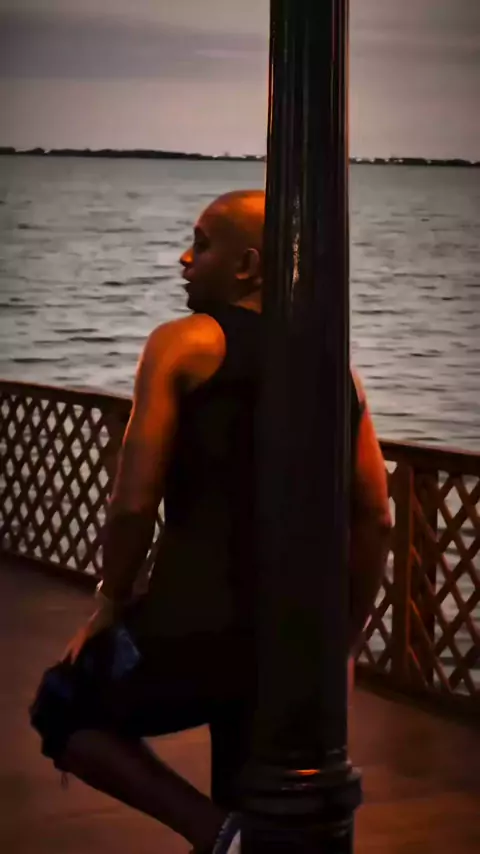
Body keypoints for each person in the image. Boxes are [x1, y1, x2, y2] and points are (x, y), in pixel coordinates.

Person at [30, 190, 391, 854]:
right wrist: (342, 639)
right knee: (245, 774)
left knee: (64, 704)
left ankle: (217, 833)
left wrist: (110, 600)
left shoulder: (182, 343)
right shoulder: (336, 371)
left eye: (200, 244)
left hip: (192, 631)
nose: (184, 258)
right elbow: (376, 517)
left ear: (247, 266)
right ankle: (234, 832)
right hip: (290, 644)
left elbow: (133, 503)